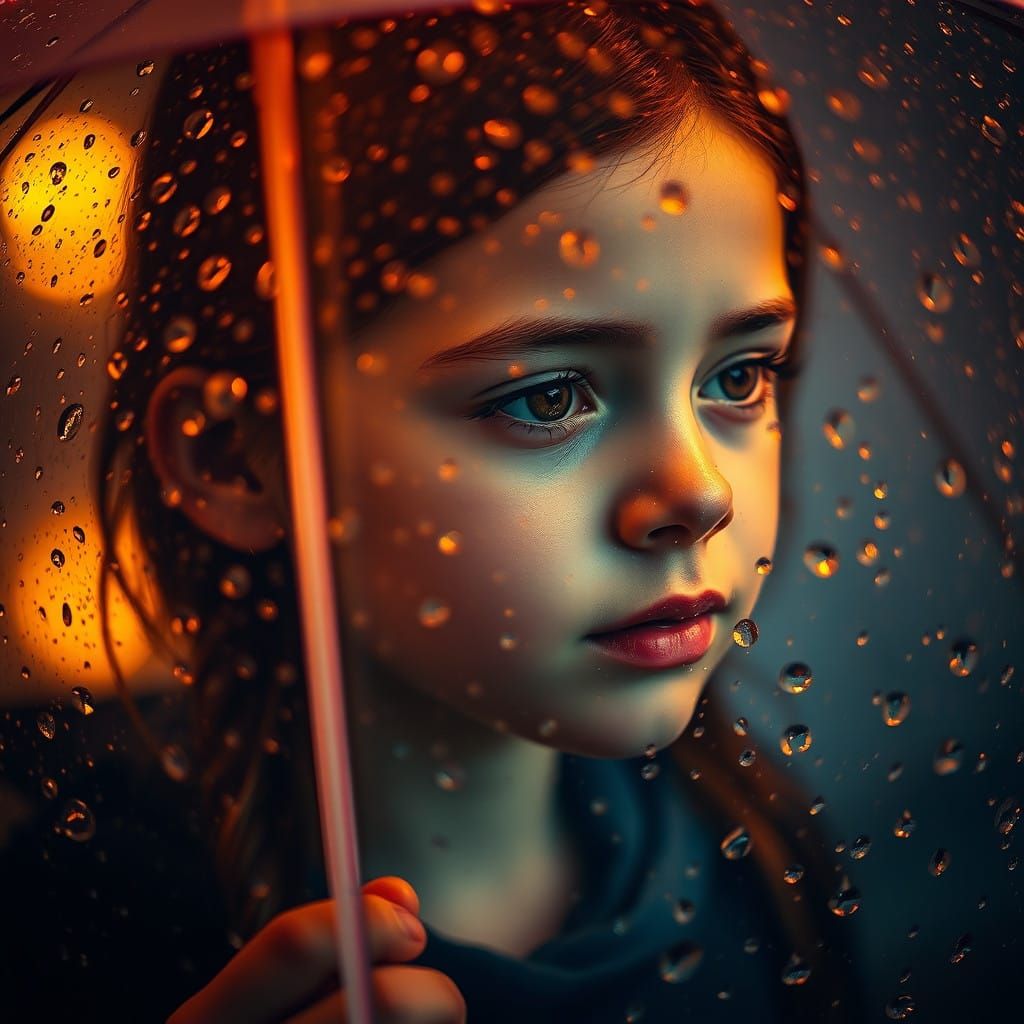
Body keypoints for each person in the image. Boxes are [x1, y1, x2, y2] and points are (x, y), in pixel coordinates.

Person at [82, 2, 858, 1020]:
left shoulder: (757, 863)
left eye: (739, 376)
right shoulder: (79, 931)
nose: (700, 494)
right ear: (235, 461)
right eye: (548, 398)